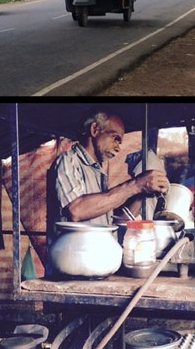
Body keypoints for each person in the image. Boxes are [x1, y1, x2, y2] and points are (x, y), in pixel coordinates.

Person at [46, 108, 169, 273]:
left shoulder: (98, 172)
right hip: (71, 267)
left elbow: (116, 220)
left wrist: (141, 194)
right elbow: (77, 210)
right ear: (95, 130)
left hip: (96, 263)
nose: (118, 147)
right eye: (115, 138)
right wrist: (135, 185)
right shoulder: (68, 162)